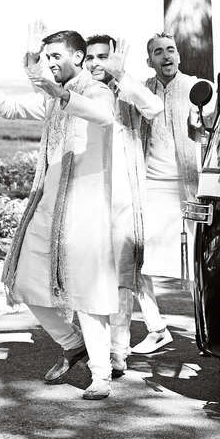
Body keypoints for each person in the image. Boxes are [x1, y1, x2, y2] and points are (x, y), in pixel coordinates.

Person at [0, 27, 117, 399]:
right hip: (47, 204)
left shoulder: (97, 91)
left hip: (84, 208)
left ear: (78, 56)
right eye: (47, 57)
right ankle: (73, 345)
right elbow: (10, 108)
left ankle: (101, 373)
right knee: (24, 281)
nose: (50, 63)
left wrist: (63, 94)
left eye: (56, 56)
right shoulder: (52, 100)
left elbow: (103, 116)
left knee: (88, 292)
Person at [83, 34, 164, 376]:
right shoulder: (79, 93)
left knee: (122, 281)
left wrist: (121, 77)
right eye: (90, 57)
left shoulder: (128, 93)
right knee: (90, 278)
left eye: (103, 56)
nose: (96, 63)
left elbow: (154, 107)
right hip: (86, 200)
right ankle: (89, 347)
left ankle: (117, 351)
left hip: (125, 200)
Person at [130, 33, 204, 354]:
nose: (165, 56)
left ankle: (207, 331)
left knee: (194, 264)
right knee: (134, 258)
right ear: (150, 61)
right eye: (158, 52)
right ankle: (156, 327)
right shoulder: (143, 90)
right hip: (148, 190)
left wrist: (201, 120)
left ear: (179, 56)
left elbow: (211, 123)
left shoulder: (196, 87)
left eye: (170, 50)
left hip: (187, 191)